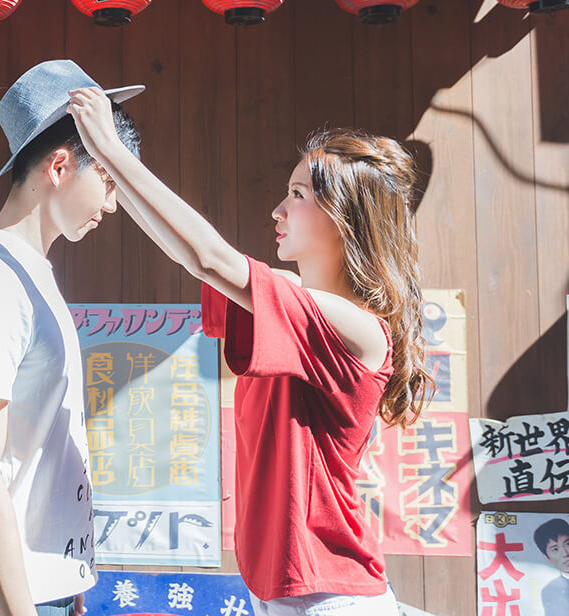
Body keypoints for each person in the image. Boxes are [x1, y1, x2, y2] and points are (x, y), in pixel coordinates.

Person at [67, 86, 432, 616]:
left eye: (299, 195)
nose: (278, 209)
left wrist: (109, 151)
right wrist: (110, 166)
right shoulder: (290, 313)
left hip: (329, 596)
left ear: (344, 217)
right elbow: (192, 257)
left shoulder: (356, 329)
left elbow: (208, 259)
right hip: (283, 591)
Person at [0, 59, 143, 616]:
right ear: (62, 166)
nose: (113, 205)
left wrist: (67, 583)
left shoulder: (29, 272)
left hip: (32, 589)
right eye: (110, 182)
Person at [534, 517, 569, 615]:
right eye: (555, 549)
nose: (565, 553)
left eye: (568, 544)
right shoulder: (550, 591)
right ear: (547, 558)